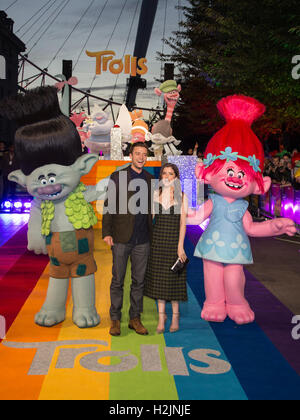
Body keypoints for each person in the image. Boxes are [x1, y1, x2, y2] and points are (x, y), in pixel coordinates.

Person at [102, 142, 154, 336]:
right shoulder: (118, 176)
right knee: (118, 280)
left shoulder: (149, 179)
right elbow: (109, 205)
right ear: (130, 155)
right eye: (137, 153)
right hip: (121, 237)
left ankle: (135, 318)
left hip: (143, 239)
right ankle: (115, 319)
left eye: (144, 154)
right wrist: (107, 232)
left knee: (139, 282)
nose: (141, 157)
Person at [144, 163, 188, 334]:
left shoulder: (182, 196)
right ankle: (162, 317)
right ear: (161, 177)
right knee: (159, 281)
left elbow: (183, 224)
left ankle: (175, 316)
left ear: (176, 177)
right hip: (157, 242)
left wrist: (180, 247)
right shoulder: (156, 194)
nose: (167, 176)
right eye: (164, 173)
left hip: (174, 242)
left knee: (174, 279)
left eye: (171, 174)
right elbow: (150, 219)